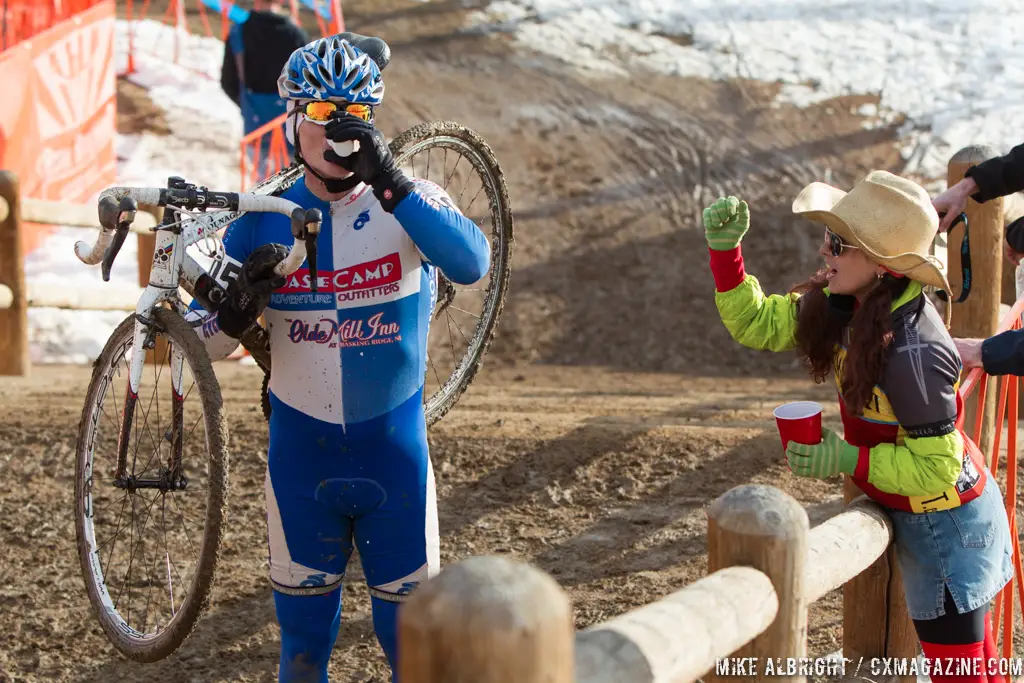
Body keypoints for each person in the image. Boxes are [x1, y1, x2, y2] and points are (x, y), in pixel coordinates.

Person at [192, 34, 491, 683]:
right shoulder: (261, 220)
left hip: (396, 464)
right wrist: (238, 306)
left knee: (410, 650)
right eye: (324, 115)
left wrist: (393, 182)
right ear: (293, 119)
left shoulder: (408, 201)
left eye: (356, 115)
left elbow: (472, 262)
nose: (340, 131)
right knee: (302, 651)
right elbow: (203, 344)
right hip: (302, 469)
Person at [704, 170, 1013, 682]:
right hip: (936, 516)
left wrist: (847, 458)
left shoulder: (912, 349)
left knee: (963, 677)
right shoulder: (845, 306)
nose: (825, 252)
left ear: (882, 264)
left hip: (948, 526)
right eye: (829, 238)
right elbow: (758, 323)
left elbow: (937, 469)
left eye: (840, 243)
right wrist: (725, 256)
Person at [220, 0, 310, 178]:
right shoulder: (296, 35)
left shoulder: (238, 33)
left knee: (262, 185)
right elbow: (310, 81)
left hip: (255, 122)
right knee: (296, 182)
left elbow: (227, 82)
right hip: (293, 123)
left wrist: (245, 104)